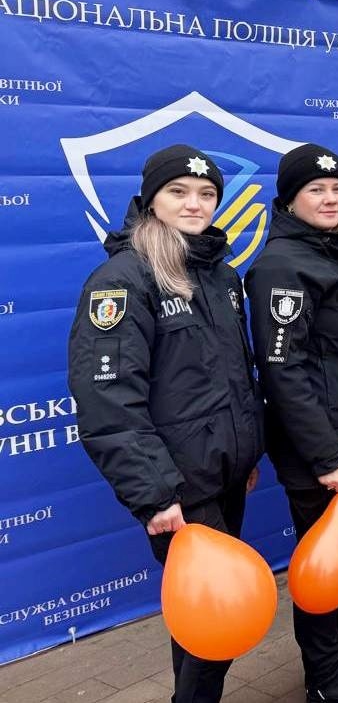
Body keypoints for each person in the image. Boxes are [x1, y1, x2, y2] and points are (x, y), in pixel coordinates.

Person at [68, 144, 263, 703]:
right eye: (178, 191)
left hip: (223, 475)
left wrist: (244, 456)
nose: (194, 203)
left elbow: (233, 379)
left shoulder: (220, 275)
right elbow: (108, 402)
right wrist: (155, 496)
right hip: (177, 489)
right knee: (213, 623)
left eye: (206, 194)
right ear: (151, 199)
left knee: (210, 624)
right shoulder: (125, 279)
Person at [244, 144, 338, 703]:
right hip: (322, 447)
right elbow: (285, 374)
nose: (330, 198)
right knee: (323, 561)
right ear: (289, 199)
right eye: (316, 189)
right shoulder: (280, 267)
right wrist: (327, 456)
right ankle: (326, 677)